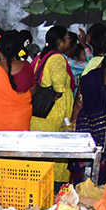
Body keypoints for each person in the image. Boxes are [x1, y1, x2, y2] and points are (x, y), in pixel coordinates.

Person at [29, 25, 76, 181]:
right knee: (56, 151)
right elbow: (59, 86)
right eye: (68, 38)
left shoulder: (41, 56)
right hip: (53, 113)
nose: (70, 42)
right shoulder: (56, 58)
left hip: (40, 114)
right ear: (59, 41)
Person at [74, 32, 106, 184]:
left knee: (84, 172)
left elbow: (79, 102)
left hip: (86, 128)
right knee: (99, 175)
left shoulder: (88, 77)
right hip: (103, 132)